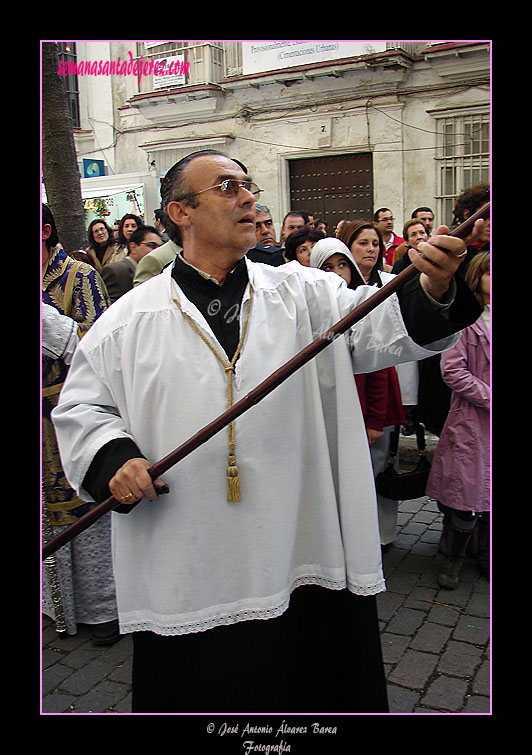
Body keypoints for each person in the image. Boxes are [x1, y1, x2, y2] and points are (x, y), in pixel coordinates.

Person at [52, 149, 483, 713]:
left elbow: (380, 327)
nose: (248, 196)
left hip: (300, 537)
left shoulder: (303, 293)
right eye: (227, 186)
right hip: (190, 548)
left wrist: (433, 289)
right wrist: (114, 460)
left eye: (248, 184)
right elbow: (83, 409)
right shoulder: (127, 322)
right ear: (180, 212)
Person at [42, 204, 119, 644]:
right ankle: (58, 609)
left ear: (46, 230)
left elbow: (96, 346)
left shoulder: (79, 276)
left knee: (85, 513)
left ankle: (103, 610)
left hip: (67, 415)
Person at [309, 237, 405, 549]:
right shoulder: (309, 310)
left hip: (363, 414)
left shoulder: (360, 306)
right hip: (329, 414)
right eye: (327, 267)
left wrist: (375, 420)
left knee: (369, 478)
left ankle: (376, 537)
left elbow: (377, 372)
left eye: (342, 265)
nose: (337, 273)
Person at [426, 252, 490, 589]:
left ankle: (484, 553)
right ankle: (453, 556)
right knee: (465, 493)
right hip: (471, 419)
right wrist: (488, 396)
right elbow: (453, 370)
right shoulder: (468, 320)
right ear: (478, 277)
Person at [101, 226, 163, 303]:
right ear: (133, 247)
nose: (157, 250)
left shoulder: (157, 272)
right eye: (151, 246)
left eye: (160, 247)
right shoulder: (116, 271)